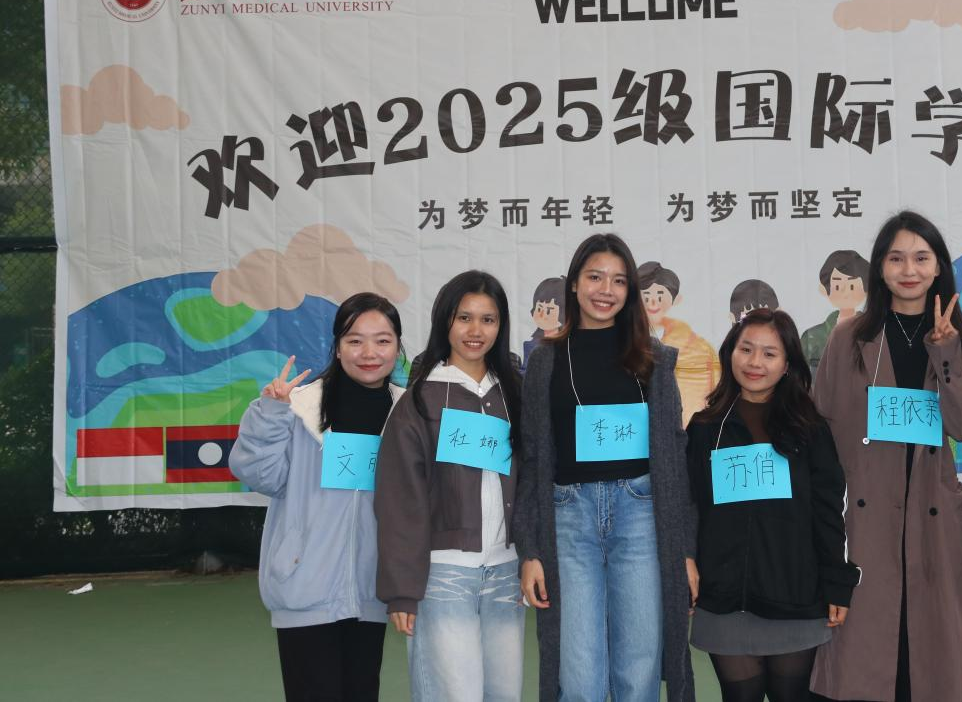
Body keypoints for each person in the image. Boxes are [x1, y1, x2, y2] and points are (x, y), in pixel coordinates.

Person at [809, 210, 962, 702]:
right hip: (865, 513)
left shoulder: (954, 338)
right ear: (880, 268)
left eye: (922, 258)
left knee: (927, 649)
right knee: (865, 649)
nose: (909, 270)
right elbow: (822, 427)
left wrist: (946, 353)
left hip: (931, 511)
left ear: (939, 267)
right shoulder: (849, 338)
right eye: (896, 258)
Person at [513, 233, 696, 702]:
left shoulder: (654, 360)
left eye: (618, 281)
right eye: (595, 277)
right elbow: (532, 456)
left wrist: (685, 550)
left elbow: (675, 455)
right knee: (580, 676)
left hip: (641, 512)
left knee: (639, 668)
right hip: (568, 517)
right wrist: (530, 550)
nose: (605, 290)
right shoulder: (545, 361)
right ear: (574, 283)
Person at [229, 292, 405, 702]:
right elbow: (262, 476)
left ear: (398, 347)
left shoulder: (408, 412)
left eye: (382, 340)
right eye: (354, 340)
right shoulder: (299, 407)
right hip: (304, 585)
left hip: (372, 588)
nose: (369, 353)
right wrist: (270, 413)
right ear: (337, 347)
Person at [686, 308, 859, 702]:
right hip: (724, 601)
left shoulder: (809, 429)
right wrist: (687, 562)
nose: (755, 363)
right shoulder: (705, 428)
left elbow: (829, 511)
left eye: (769, 353)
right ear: (730, 353)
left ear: (787, 365)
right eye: (746, 349)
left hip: (795, 597)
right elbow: (689, 504)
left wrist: (837, 583)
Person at [375, 271, 525, 701]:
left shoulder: (515, 394)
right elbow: (399, 501)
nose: (476, 331)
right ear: (445, 322)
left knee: (504, 695)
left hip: (506, 573)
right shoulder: (419, 401)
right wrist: (402, 591)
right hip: (442, 576)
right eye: (464, 318)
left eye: (488, 319)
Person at [638, 260, 722, 425]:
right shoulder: (622, 342)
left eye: (660, 295)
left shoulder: (700, 348)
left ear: (676, 299)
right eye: (646, 295)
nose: (653, 302)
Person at [800, 250, 869, 376]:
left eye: (852, 286)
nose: (845, 292)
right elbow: (800, 377)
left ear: (866, 290)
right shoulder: (811, 337)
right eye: (837, 286)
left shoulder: (875, 334)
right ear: (824, 289)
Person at [523, 276, 565, 369]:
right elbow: (526, 372)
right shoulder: (531, 345)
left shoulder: (567, 344)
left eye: (549, 310)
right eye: (539, 308)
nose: (542, 315)